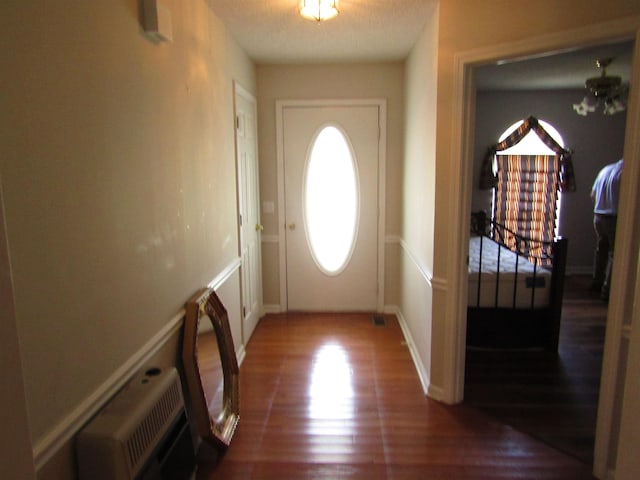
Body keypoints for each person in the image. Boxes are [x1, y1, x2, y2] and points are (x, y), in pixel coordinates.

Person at [590, 158, 623, 300]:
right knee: (615, 254)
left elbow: (593, 195)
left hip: (599, 215)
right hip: (614, 216)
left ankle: (596, 282)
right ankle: (607, 290)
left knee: (602, 249)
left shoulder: (606, 169)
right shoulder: (626, 173)